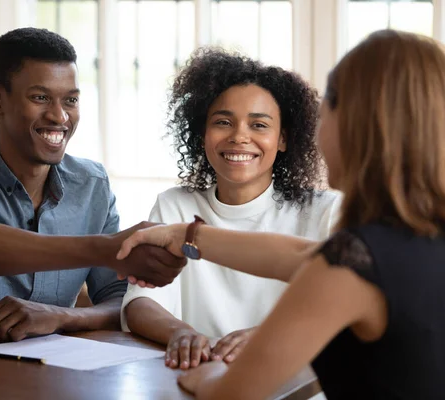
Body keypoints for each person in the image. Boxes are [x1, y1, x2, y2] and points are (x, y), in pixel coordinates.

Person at [117, 30, 445, 399]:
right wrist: (184, 236)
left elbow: (233, 393)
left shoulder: (353, 263)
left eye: (326, 114)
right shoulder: (415, 240)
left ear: (359, 125)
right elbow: (300, 256)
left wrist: (206, 374)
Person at [0, 27, 185, 341]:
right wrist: (104, 248)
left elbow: (119, 299)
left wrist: (60, 316)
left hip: (56, 376)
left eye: (71, 100)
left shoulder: (93, 185)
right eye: (40, 98)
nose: (59, 116)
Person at [121, 48, 341, 370]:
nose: (239, 137)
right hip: (195, 377)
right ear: (202, 134)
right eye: (223, 122)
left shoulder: (326, 212)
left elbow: (342, 307)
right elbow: (140, 302)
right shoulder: (175, 205)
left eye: (259, 125)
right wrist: (180, 333)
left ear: (283, 139)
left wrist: (272, 335)